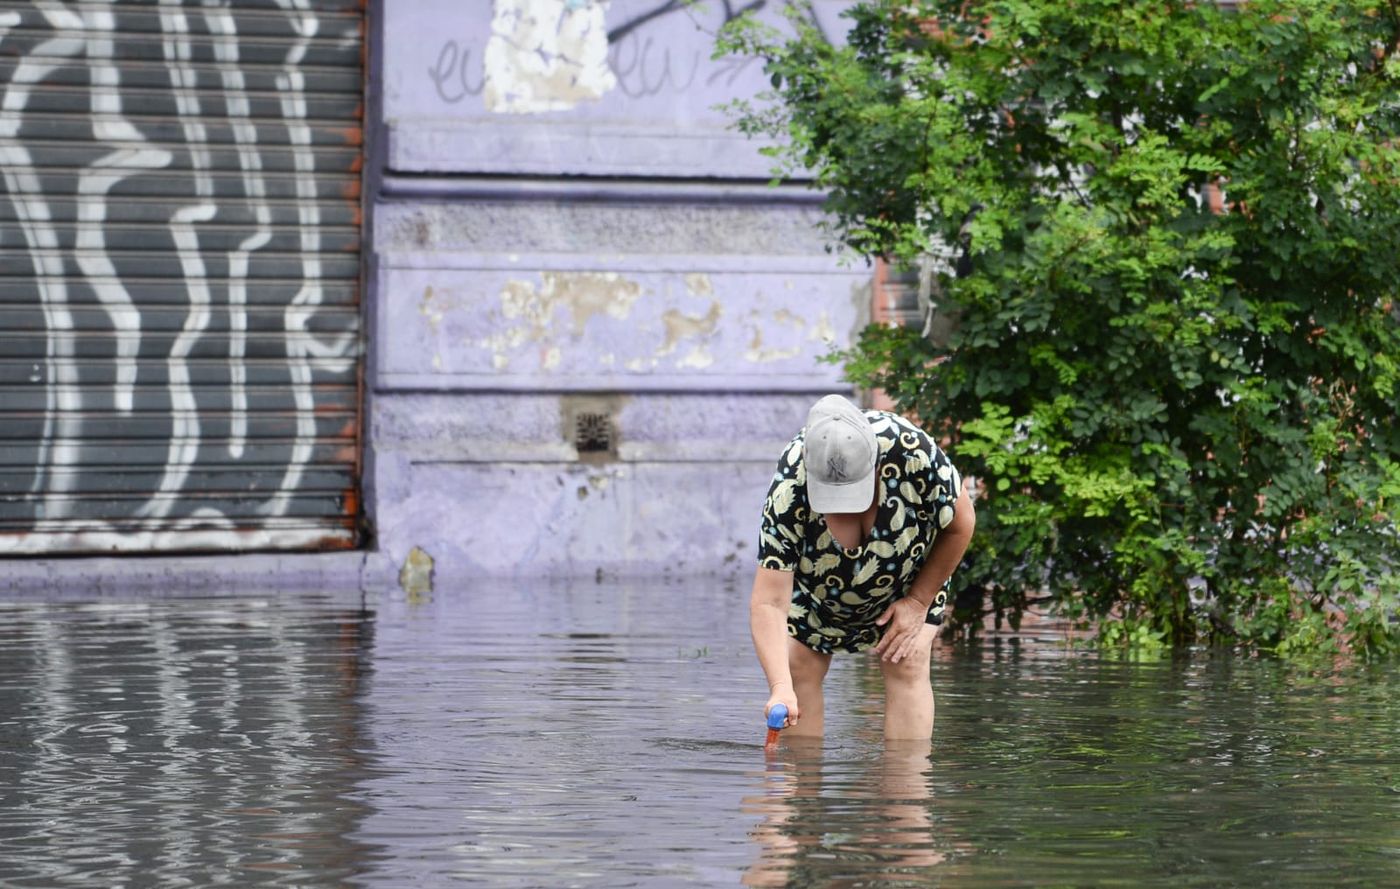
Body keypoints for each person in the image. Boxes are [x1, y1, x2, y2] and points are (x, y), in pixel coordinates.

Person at [749, 394, 975, 741]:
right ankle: (801, 790)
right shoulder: (789, 485)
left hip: (909, 573)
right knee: (799, 667)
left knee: (906, 660)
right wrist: (780, 687)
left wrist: (917, 602)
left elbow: (961, 523)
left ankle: (904, 788)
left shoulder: (911, 449)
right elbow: (769, 602)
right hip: (820, 586)